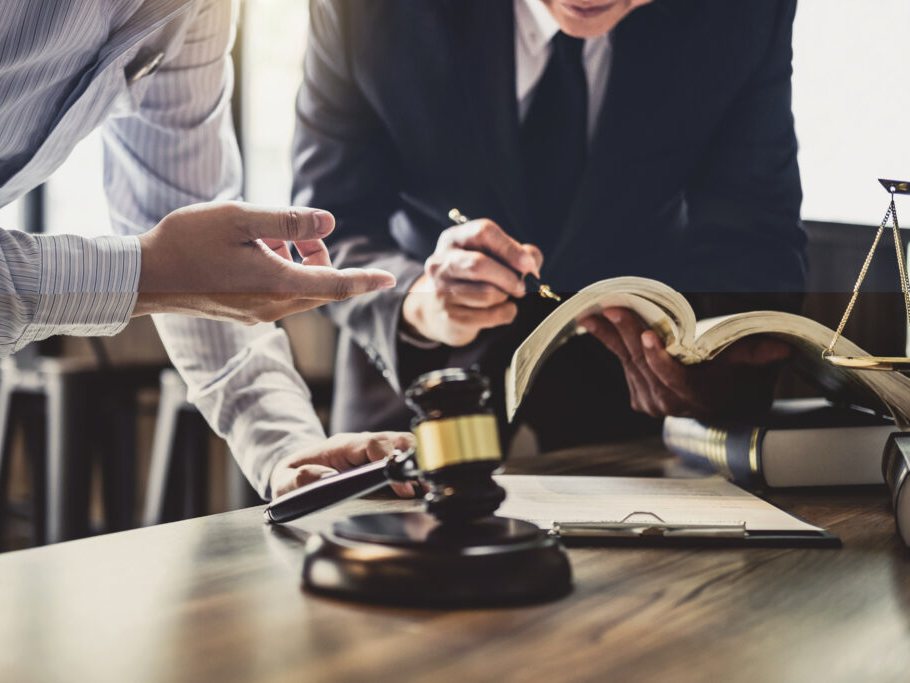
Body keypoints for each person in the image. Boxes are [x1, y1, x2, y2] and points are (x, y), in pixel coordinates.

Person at [0, 0, 412, 573]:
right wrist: (138, 274)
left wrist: (284, 445)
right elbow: (171, 266)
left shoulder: (197, 10)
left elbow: (198, 244)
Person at [292, 0, 807, 447]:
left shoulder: (745, 12)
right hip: (422, 393)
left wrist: (715, 369)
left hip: (633, 402)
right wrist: (420, 299)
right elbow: (329, 226)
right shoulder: (367, 12)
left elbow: (755, 231)